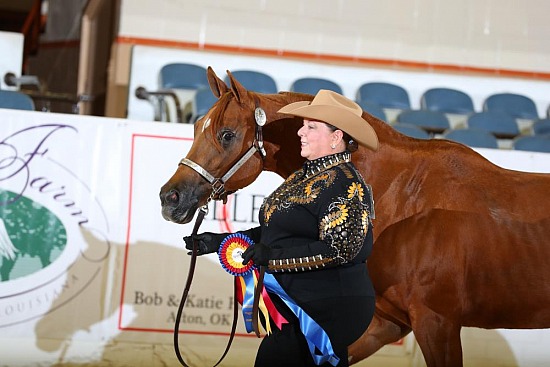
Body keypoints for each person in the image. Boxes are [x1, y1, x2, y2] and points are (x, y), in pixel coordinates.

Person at [184, 89, 379, 366]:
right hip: (304, 300)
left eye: (311, 127)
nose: (301, 132)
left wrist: (271, 258)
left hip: (330, 304)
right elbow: (277, 233)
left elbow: (340, 250)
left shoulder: (346, 183)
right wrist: (220, 241)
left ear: (336, 138)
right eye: (303, 125)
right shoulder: (304, 176)